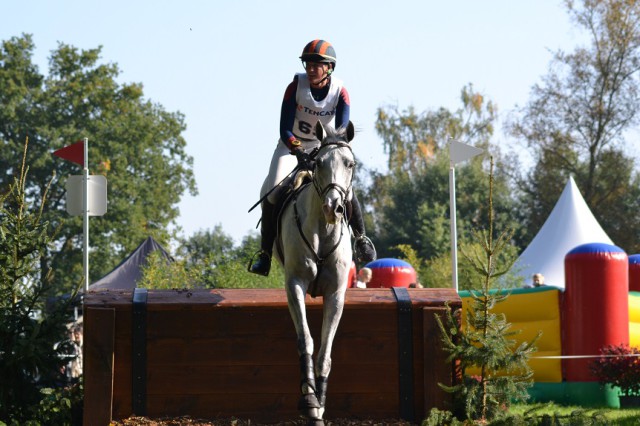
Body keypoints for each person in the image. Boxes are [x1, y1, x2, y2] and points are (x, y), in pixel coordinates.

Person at [248, 39, 376, 276]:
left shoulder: (341, 93)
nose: (310, 68)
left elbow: (340, 132)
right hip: (289, 147)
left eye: (316, 64)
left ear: (329, 68)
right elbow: (284, 129)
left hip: (323, 148)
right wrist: (298, 151)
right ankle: (265, 253)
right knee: (274, 191)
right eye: (308, 63)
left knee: (343, 188)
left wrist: (326, 153)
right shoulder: (294, 87)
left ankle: (361, 239)